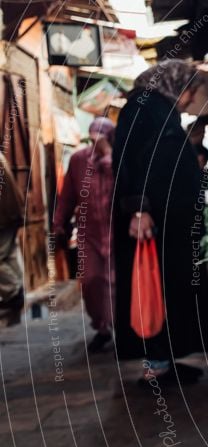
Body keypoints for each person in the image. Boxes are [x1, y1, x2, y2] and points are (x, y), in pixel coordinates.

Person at [112, 59, 208, 384]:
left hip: (167, 223)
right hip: (152, 223)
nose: (190, 100)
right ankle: (156, 364)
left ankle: (164, 359)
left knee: (166, 288)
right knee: (152, 287)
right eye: (191, 92)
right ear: (176, 86)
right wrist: (138, 209)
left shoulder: (158, 109)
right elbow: (130, 161)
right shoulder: (143, 108)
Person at [53, 117, 116, 352]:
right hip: (89, 233)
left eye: (100, 137)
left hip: (115, 230)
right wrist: (59, 223)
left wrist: (108, 155)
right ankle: (101, 327)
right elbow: (67, 196)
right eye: (91, 137)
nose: (94, 142)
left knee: (115, 283)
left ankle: (122, 328)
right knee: (90, 281)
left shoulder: (118, 157)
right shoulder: (79, 160)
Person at [0, 151, 24, 327]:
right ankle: (17, 291)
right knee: (9, 254)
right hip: (9, 215)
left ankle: (13, 292)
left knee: (2, 256)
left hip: (4, 217)